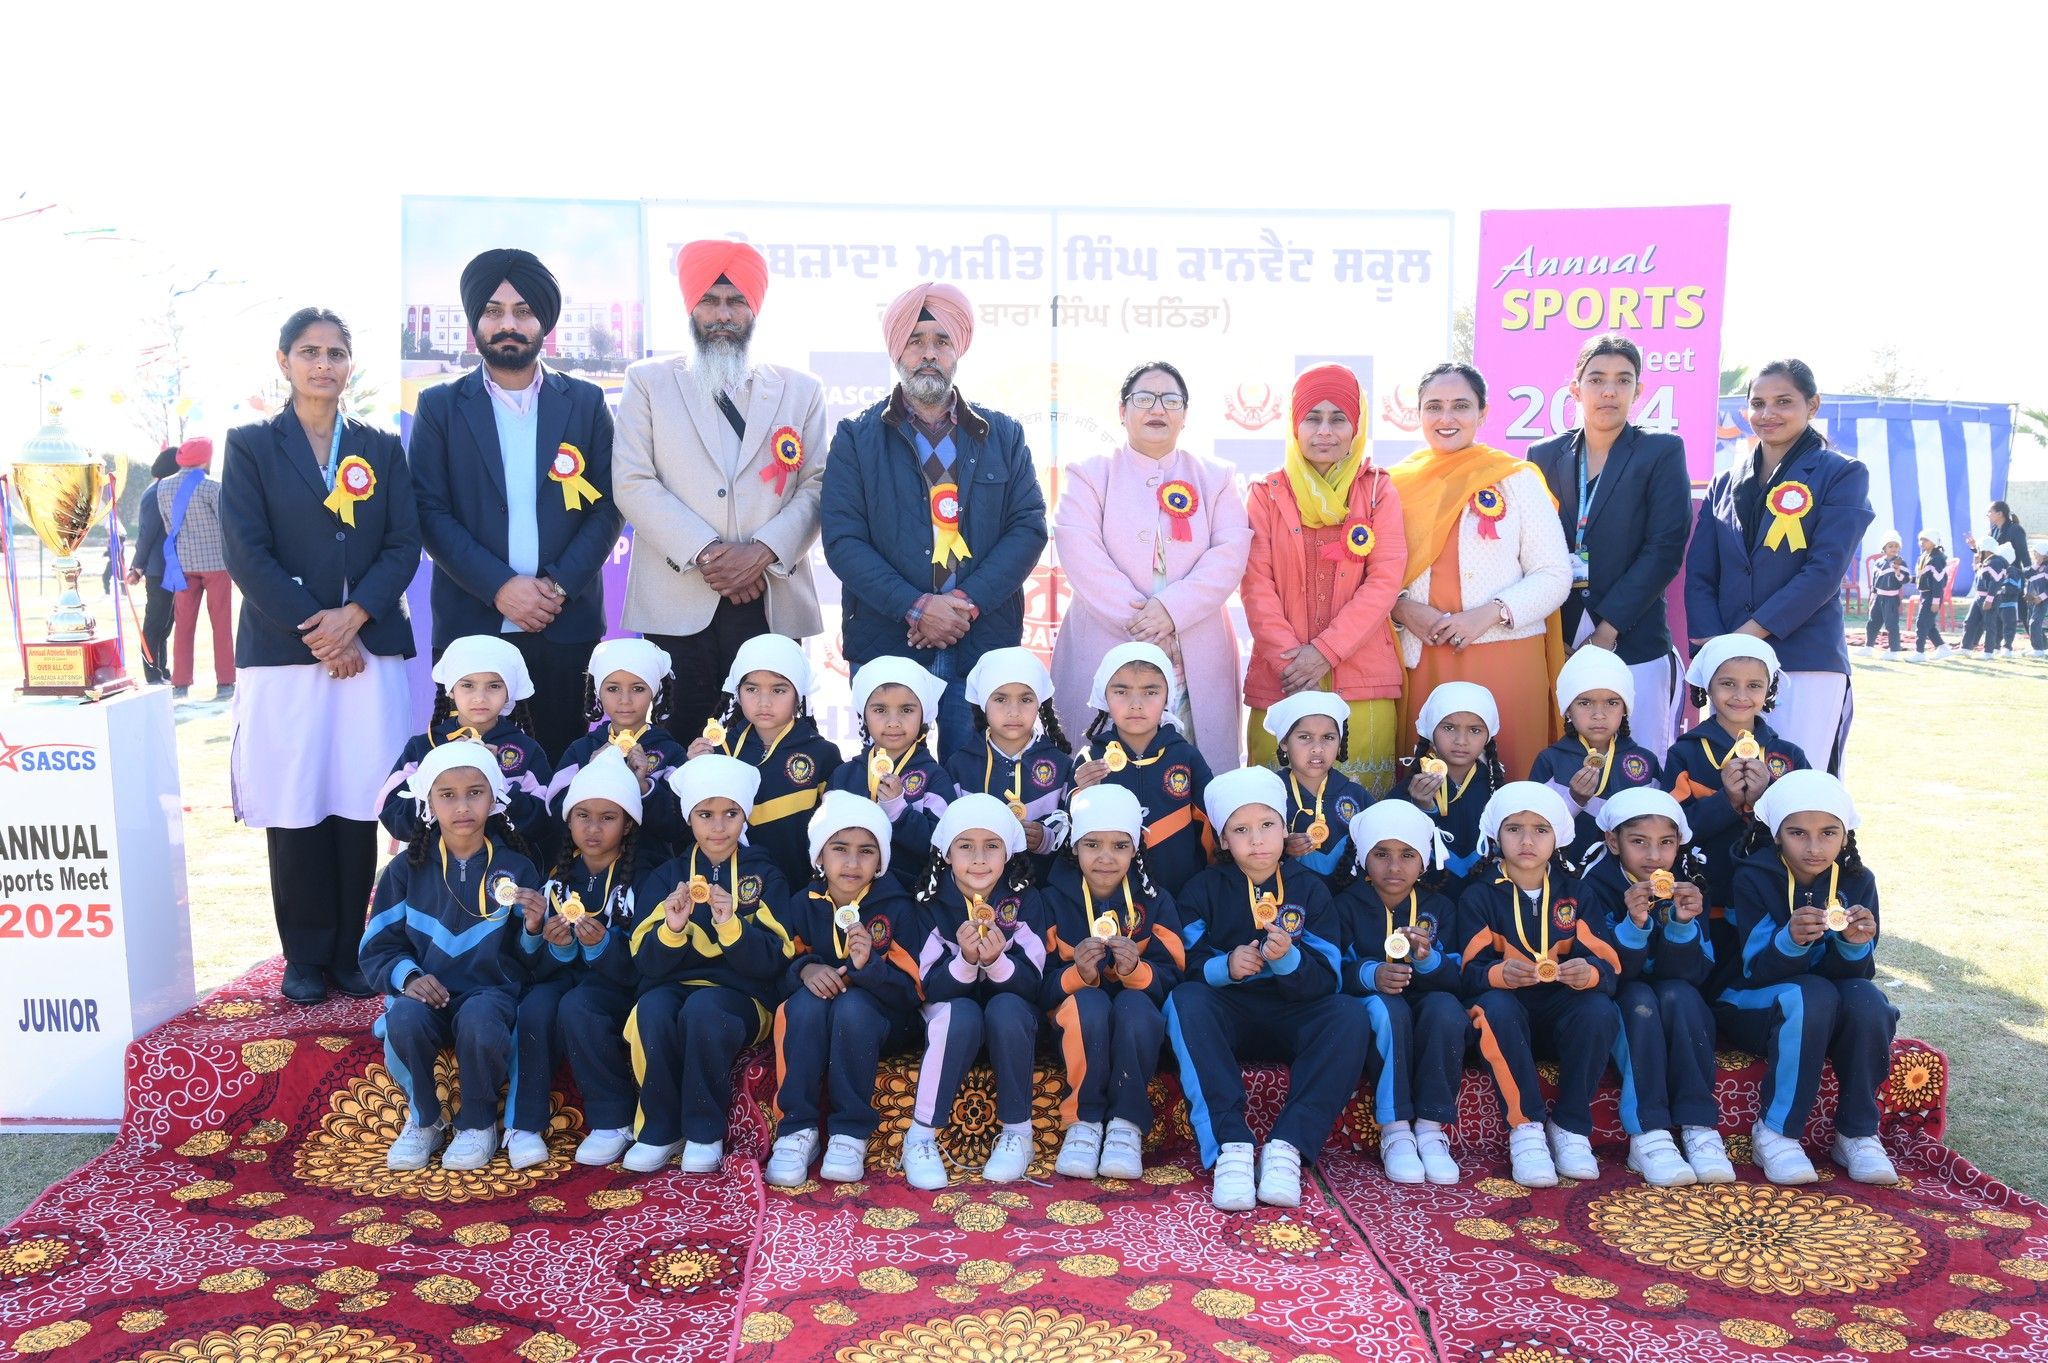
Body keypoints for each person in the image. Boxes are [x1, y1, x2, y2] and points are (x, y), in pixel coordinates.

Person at [221, 307, 420, 1006]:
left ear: (350, 364)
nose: (323, 364)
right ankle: (304, 955)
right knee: (297, 796)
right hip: (286, 652)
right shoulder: (251, 445)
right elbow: (246, 550)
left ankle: (348, 951)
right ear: (284, 361)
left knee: (358, 795)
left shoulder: (380, 446)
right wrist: (321, 631)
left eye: (336, 352)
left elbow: (403, 541)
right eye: (309, 352)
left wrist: (355, 617)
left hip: (369, 648)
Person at [821, 282, 1048, 764]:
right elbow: (843, 540)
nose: (929, 354)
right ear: (896, 350)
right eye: (916, 340)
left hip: (981, 641)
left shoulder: (1003, 435)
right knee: (890, 783)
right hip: (889, 639)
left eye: (942, 341)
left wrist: (964, 604)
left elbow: (1028, 528)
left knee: (978, 784)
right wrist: (916, 606)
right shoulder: (856, 437)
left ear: (958, 349)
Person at [408, 248, 622, 761]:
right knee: (469, 775)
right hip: (472, 626)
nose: (508, 324)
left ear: (544, 321)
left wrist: (556, 587)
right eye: (493, 311)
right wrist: (500, 587)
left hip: (563, 624)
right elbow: (429, 511)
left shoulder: (586, 402)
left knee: (564, 772)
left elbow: (610, 506)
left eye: (523, 311)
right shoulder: (439, 406)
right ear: (475, 322)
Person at [614, 240, 830, 742]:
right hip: (677, 596)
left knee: (772, 746)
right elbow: (632, 480)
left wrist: (762, 552)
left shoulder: (801, 390)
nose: (723, 315)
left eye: (736, 302)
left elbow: (818, 485)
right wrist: (711, 554)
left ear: (755, 310)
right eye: (709, 301)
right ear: (691, 308)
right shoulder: (647, 382)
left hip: (770, 594)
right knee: (673, 744)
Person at [1165, 768, 1366, 1211]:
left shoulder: (1310, 889)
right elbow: (1182, 961)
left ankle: (1288, 1147)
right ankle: (1230, 1147)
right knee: (1185, 1001)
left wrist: (1289, 960)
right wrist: (1225, 967)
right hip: (1227, 1009)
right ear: (1223, 840)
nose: (1256, 840)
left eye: (1267, 825)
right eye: (1241, 830)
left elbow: (1330, 974)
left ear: (1285, 829)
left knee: (1350, 1015)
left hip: (1292, 1011)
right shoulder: (1202, 888)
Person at [1051, 360, 1251, 765]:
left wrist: (1171, 611)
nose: (1157, 409)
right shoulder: (1090, 474)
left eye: (1170, 400)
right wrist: (1144, 621)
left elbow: (1230, 553)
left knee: (1193, 769)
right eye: (1144, 398)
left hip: (1193, 644)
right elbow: (1080, 552)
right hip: (1107, 634)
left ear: (1185, 415)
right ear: (1122, 411)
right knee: (1101, 769)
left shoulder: (1217, 477)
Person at [358, 742, 540, 1171]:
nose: (462, 806)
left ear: (494, 798)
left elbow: (531, 962)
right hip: (428, 992)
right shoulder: (404, 870)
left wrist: (534, 930)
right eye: (447, 795)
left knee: (480, 1020)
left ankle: (477, 1123)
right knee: (404, 1017)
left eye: (475, 792)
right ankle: (425, 1119)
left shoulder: (517, 868)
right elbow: (377, 947)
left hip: (490, 994)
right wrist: (409, 978)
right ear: (428, 802)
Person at [1685, 360, 1873, 774]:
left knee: (1799, 787)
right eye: (1758, 403)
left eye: (1783, 402)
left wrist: (1743, 641)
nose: (1768, 414)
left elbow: (1823, 572)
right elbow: (1700, 575)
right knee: (1729, 785)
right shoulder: (1724, 482)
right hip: (1731, 671)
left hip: (1803, 661)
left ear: (1813, 405)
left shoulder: (1842, 473)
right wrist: (1717, 651)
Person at [1389, 364, 1571, 781]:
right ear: (1418, 413)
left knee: (1510, 776)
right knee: (1428, 783)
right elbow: (1371, 575)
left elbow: (1553, 574)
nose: (1446, 418)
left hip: (1506, 656)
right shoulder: (1393, 486)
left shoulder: (1516, 479)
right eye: (1434, 406)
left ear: (1482, 413)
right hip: (1426, 655)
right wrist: (1401, 608)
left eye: (1460, 406)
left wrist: (1490, 614)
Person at [1719, 771, 1897, 1185]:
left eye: (1828, 833)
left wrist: (1854, 944)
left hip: (1823, 1005)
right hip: (1751, 1002)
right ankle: (1776, 1132)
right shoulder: (1754, 876)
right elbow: (1755, 968)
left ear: (1846, 836)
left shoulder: (1859, 881)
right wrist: (1791, 940)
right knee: (1810, 993)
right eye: (1798, 833)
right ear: (1777, 835)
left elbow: (1857, 974)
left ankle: (1857, 1133)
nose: (1814, 847)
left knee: (1868, 1000)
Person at [624, 755, 797, 1174]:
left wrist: (731, 926)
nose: (718, 826)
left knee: (704, 1010)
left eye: (730, 814)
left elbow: (775, 959)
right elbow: (645, 961)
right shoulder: (667, 877)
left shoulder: (765, 875)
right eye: (705, 814)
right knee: (653, 1008)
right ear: (689, 818)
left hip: (744, 995)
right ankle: (660, 1129)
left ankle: (704, 1132)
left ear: (745, 816)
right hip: (672, 986)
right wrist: (673, 928)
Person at [1241, 364, 1407, 792]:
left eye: (1339, 419)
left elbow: (1385, 581)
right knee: (1274, 808)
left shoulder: (1377, 491)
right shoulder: (1266, 493)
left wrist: (1325, 652)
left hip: (1362, 681)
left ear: (1357, 427)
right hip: (1283, 681)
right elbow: (1256, 587)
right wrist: (1294, 665)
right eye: (1312, 418)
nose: (1325, 431)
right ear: (1294, 425)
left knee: (1361, 812)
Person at [1527, 336, 1692, 761]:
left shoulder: (1660, 451)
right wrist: (1555, 635)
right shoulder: (1542, 455)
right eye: (1597, 379)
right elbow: (1530, 546)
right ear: (1575, 389)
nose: (1609, 391)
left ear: (1638, 391)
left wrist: (1607, 631)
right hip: (1557, 641)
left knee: (1640, 763)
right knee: (1560, 764)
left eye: (1623, 380)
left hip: (1632, 638)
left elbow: (1665, 548)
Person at [1456, 782, 1624, 1188]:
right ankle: (1526, 1128)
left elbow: (1610, 967)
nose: (1527, 841)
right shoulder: (1479, 896)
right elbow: (1464, 974)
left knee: (1599, 1009)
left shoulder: (1576, 893)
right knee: (1494, 1005)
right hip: (1508, 1017)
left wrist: (1589, 972)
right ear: (1496, 835)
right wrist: (1498, 974)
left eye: (1540, 830)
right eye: (1514, 829)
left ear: (1558, 836)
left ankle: (1570, 1127)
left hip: (1562, 1012)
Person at [765, 791, 923, 1187]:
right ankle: (797, 1129)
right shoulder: (801, 904)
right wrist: (805, 969)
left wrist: (869, 967)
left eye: (866, 851)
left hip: (881, 1024)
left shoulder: (898, 906)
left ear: (881, 859)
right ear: (820, 855)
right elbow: (775, 971)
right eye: (839, 848)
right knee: (805, 1004)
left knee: (852, 1006)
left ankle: (849, 1132)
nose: (852, 863)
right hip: (817, 1019)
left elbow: (912, 992)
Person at [1578, 788, 1735, 1186]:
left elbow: (1693, 973)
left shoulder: (1689, 885)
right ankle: (1648, 1133)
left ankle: (1699, 1125)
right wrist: (1633, 924)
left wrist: (1682, 923)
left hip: (1673, 993)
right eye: (1639, 842)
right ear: (1613, 842)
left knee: (1682, 996)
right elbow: (1611, 973)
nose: (1654, 856)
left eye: (1666, 843)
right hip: (1621, 997)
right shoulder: (1593, 886)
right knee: (1638, 999)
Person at [899, 794, 1052, 1190]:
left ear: (1008, 852)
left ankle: (1018, 1132)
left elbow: (1034, 982)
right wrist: (966, 961)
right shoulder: (930, 902)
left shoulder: (1025, 900)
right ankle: (920, 1136)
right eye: (966, 846)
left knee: (1008, 1008)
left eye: (992, 846)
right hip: (953, 1017)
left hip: (1009, 1019)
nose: (980, 859)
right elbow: (926, 985)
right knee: (960, 1013)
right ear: (947, 853)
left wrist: (997, 961)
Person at [507, 747, 647, 1171]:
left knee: (578, 1006)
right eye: (582, 815)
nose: (593, 828)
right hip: (566, 979)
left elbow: (646, 962)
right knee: (536, 1005)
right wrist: (545, 937)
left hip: (618, 986)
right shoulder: (556, 880)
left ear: (628, 825)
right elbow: (535, 968)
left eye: (608, 818)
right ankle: (524, 1123)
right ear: (568, 821)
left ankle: (612, 1119)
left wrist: (602, 946)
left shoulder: (645, 878)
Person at [1039, 784, 1184, 1181]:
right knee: (1090, 1002)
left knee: (1135, 1006)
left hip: (1135, 1017)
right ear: (1074, 847)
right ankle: (1083, 1122)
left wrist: (1136, 969)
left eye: (1120, 846)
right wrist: (1078, 974)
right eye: (1092, 845)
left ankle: (1126, 1124)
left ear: (1136, 848)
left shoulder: (1155, 901)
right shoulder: (1050, 900)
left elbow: (1174, 976)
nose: (1105, 857)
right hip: (1075, 1020)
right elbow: (1035, 984)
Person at [1334, 800, 1468, 1185]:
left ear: (1424, 860)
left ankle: (1430, 1128)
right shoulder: (1345, 905)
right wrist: (1371, 974)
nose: (1394, 867)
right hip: (1373, 1002)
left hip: (1426, 999)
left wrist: (1427, 960)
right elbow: (1332, 972)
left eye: (1407, 855)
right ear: (1362, 858)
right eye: (1381, 854)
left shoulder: (1440, 907)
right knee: (1387, 1009)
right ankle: (1395, 1130)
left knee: (1447, 1010)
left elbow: (1458, 975)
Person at [1663, 635, 1810, 916]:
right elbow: (1670, 830)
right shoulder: (1684, 754)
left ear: (1768, 689)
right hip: (1703, 900)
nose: (1741, 695)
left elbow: (1806, 828)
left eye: (1754, 685)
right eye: (1728, 683)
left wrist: (1761, 799)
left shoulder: (1790, 756)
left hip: (1773, 901)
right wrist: (1727, 801)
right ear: (1708, 685)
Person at [377, 635, 555, 862]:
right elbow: (392, 815)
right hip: (433, 869)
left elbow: (545, 823)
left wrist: (498, 781)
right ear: (451, 689)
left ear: (509, 692)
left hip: (506, 873)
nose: (480, 698)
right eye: (467, 685)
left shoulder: (525, 749)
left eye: (494, 686)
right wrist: (435, 773)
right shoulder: (423, 746)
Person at [688, 633, 845, 888]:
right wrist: (694, 771)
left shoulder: (823, 754)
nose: (764, 702)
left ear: (798, 694)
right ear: (737, 693)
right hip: (727, 895)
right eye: (752, 689)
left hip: (800, 890)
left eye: (778, 690)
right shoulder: (718, 751)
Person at [1070, 642, 1214, 896]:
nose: (1136, 704)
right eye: (1121, 691)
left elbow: (1213, 831)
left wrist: (1206, 890)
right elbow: (1072, 840)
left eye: (1150, 692)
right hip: (1111, 902)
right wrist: (1078, 795)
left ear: (1167, 696)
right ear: (1104, 696)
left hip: (1181, 897)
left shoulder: (1186, 757)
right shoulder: (1090, 760)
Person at [824, 657, 957, 890]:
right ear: (864, 715)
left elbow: (942, 846)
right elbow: (823, 839)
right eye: (880, 710)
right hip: (850, 895)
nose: (893, 722)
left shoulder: (935, 778)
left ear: (924, 714)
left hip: (911, 895)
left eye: (906, 710)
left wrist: (899, 812)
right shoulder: (843, 776)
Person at [1526, 645, 1662, 868]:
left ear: (1625, 708)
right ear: (1567, 710)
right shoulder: (1550, 760)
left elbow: (1659, 825)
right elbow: (1533, 829)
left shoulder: (1645, 761)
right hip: (1566, 874)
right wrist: (1574, 799)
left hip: (1629, 877)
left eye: (1612, 702)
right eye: (1585, 703)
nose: (1599, 714)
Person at [947, 646, 1073, 878]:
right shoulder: (960, 766)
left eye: (1025, 699)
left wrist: (1046, 838)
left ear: (1039, 703)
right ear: (983, 703)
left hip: (1041, 888)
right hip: (976, 889)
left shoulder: (1061, 764)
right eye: (1000, 699)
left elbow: (1075, 833)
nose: (1013, 711)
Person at [1404, 681, 1509, 895]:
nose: (1461, 740)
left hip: (1485, 903)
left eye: (1475, 730)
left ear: (1487, 737)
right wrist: (1421, 807)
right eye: (1449, 728)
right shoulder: (1411, 788)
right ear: (1431, 731)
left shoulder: (1497, 790)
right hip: (1425, 902)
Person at [1263, 690, 1373, 890]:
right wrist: (1282, 848)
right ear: (1284, 742)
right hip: (1288, 901)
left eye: (1328, 737)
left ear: (1339, 742)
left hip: (1349, 901)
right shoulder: (1268, 795)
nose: (1317, 748)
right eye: (1305, 737)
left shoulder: (1357, 796)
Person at [157, 436, 235, 701]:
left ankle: (180, 684)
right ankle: (225, 682)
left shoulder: (163, 487)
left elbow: (169, 526)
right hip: (216, 564)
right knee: (221, 624)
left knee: (183, 625)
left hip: (182, 564)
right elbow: (227, 524)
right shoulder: (213, 487)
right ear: (205, 458)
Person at [125, 446, 181, 686]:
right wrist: (137, 567)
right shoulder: (154, 493)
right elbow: (146, 534)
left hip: (174, 568)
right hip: (159, 569)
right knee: (155, 623)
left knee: (166, 625)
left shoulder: (167, 490)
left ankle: (162, 669)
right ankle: (151, 672)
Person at [1862, 532, 1908, 655]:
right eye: (1890, 546)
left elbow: (1906, 579)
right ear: (1884, 548)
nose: (1894, 548)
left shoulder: (1900, 562)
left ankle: (1894, 650)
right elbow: (1875, 581)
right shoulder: (1879, 562)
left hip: (1891, 598)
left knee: (1891, 624)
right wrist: (1873, 595)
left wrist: (1898, 573)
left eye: (1896, 546)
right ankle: (1868, 647)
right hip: (1878, 597)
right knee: (1873, 622)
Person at [1965, 500, 2029, 581]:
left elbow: (2024, 554)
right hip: (1994, 575)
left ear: (1999, 514)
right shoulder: (1993, 530)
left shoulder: (2015, 529)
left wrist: (2029, 575)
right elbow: (1987, 553)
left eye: (1990, 512)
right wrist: (1974, 546)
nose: (1987, 515)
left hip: (2011, 577)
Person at [1911, 532, 1951, 660]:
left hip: (1932, 595)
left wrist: (1935, 601)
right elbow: (1921, 577)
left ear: (1934, 542)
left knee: (1922, 623)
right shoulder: (1924, 556)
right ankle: (1943, 648)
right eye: (1921, 540)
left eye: (1925, 540)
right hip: (1924, 594)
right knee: (1929, 624)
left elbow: (1938, 583)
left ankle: (1919, 652)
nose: (1922, 542)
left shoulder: (1937, 558)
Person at [2026, 550, 2048, 657]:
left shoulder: (2046, 568)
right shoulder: (2034, 568)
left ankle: (2038, 650)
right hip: (2032, 600)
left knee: (2034, 622)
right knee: (2030, 622)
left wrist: (2041, 597)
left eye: (2037, 553)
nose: (2034, 555)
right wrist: (2036, 564)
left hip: (2042, 600)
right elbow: (2026, 575)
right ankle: (2042, 647)